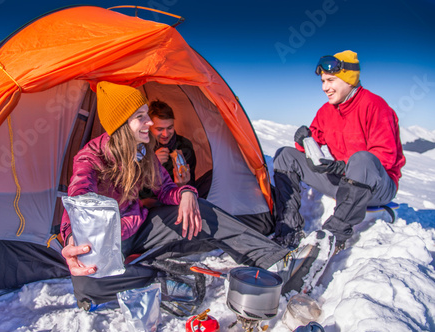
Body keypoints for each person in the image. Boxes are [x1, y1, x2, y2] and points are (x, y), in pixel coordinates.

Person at [60, 81, 317, 308]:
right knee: (87, 286)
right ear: (122, 125)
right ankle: (163, 278)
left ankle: (275, 260)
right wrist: (72, 238)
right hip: (106, 241)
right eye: (141, 117)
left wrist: (185, 192)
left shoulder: (143, 152)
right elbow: (78, 199)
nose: (149, 123)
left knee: (202, 211)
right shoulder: (91, 158)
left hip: (138, 226)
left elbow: (166, 189)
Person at [272, 50, 406, 253]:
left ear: (349, 79)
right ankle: (288, 228)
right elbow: (310, 144)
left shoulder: (376, 107)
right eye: (323, 81)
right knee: (285, 155)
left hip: (378, 185)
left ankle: (332, 236)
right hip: (344, 180)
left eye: (331, 80)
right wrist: (303, 138)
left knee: (362, 159)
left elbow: (384, 159)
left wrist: (343, 166)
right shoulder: (327, 111)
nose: (325, 87)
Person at [148, 99, 196, 187]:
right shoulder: (142, 147)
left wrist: (182, 185)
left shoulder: (184, 146)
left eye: (170, 127)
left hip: (178, 195)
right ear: (149, 127)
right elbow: (138, 191)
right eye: (159, 129)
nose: (165, 134)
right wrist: (153, 164)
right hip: (152, 198)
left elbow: (191, 184)